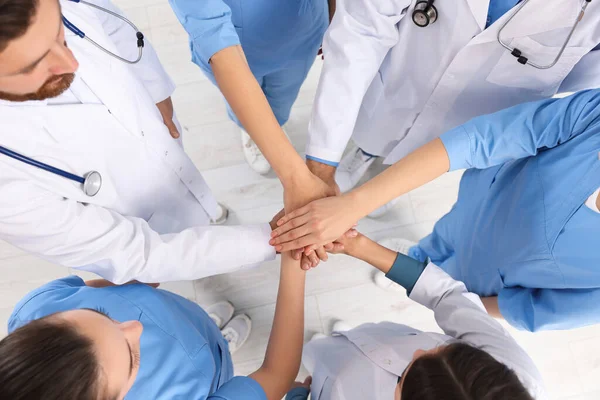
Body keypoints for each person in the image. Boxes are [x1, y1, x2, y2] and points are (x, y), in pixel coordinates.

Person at [0, 0, 332, 284]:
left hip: (157, 135)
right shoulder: (8, 186)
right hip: (149, 233)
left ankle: (209, 211)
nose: (72, 63)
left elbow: (105, 17)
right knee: (187, 266)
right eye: (34, 64)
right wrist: (273, 239)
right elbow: (138, 253)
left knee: (190, 186)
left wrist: (155, 89)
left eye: (62, 31)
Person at [271, 89, 600, 332]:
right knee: (439, 238)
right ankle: (415, 254)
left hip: (484, 279)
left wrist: (455, 304)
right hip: (479, 203)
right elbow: (484, 138)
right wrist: (354, 204)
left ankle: (416, 267)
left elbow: (538, 310)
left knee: (441, 278)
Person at [304, 0, 600, 217]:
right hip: (398, 83)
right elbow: (362, 28)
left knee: (428, 156)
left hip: (473, 116)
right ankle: (365, 154)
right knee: (372, 134)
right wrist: (322, 160)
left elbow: (579, 82)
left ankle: (394, 177)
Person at [0, 251, 311, 400]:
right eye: (132, 357)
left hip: (185, 316)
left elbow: (93, 285)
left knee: (200, 328)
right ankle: (220, 349)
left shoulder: (34, 309)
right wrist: (295, 259)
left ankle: (214, 335)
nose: (136, 326)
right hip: (214, 379)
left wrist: (132, 279)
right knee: (222, 367)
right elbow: (276, 373)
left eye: (100, 313)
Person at [296, 233, 546, 400]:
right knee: (330, 347)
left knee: (316, 363)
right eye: (443, 349)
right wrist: (359, 245)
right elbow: (446, 296)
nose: (418, 351)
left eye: (405, 377)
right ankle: (338, 343)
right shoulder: (510, 376)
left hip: (333, 390)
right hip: (379, 339)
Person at [169, 0, 332, 175]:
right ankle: (251, 130)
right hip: (233, 42)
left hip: (302, 32)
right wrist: (293, 175)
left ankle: (277, 122)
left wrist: (334, 15)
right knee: (241, 95)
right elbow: (208, 24)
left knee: (285, 92)